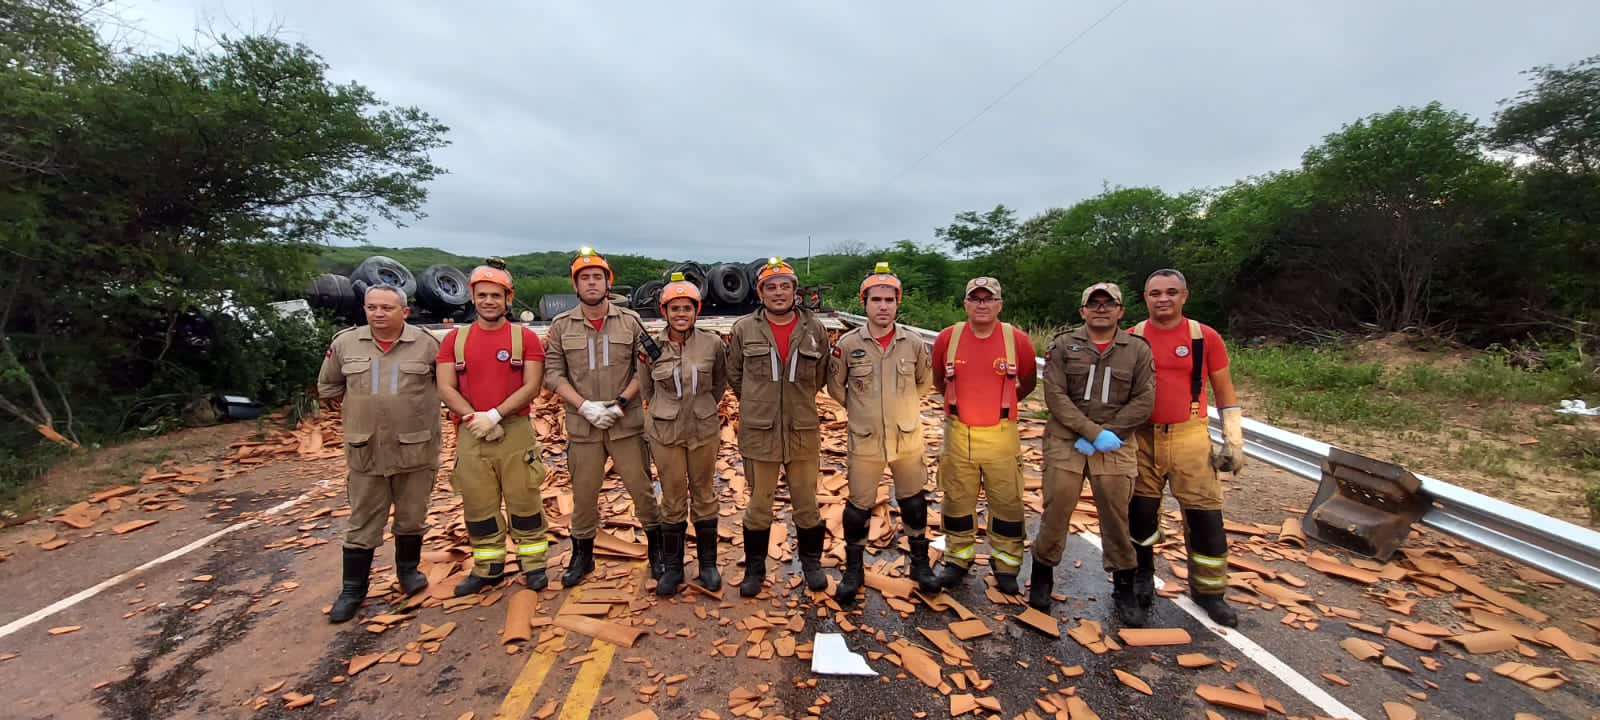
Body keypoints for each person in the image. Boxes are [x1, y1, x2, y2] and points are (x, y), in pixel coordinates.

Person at [1127, 268, 1248, 627]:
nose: (1163, 299)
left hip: (1189, 436)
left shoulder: (1204, 337)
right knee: (1140, 515)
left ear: (1184, 296)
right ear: (1145, 297)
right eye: (1155, 293)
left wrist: (1233, 439)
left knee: (1204, 515)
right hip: (1143, 437)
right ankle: (1141, 577)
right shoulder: (1133, 336)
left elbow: (1225, 391)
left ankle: (1210, 592)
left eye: (1171, 292)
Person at [317, 284, 443, 623]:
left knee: (412, 516)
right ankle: (353, 589)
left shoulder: (427, 344)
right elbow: (328, 387)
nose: (378, 313)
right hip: (366, 450)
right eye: (372, 307)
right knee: (362, 522)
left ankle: (408, 572)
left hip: (415, 447)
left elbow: (447, 386)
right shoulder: (345, 344)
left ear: (405, 312)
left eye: (387, 307)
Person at [1032, 282, 1155, 624]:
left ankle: (1124, 587)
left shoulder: (1136, 349)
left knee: (1117, 518)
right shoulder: (1063, 344)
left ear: (1120, 310)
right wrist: (1091, 432)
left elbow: (1145, 399)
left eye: (1108, 303)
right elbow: (1055, 395)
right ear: (1082, 310)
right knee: (1056, 512)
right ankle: (1042, 579)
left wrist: (1109, 433)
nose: (1101, 309)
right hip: (1066, 441)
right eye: (1094, 304)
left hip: (1116, 443)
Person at [544, 247, 663, 588]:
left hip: (624, 424)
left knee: (641, 490)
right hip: (583, 426)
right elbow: (553, 374)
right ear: (576, 285)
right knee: (583, 495)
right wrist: (584, 406)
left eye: (597, 277)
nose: (591, 283)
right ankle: (583, 555)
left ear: (608, 282)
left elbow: (647, 368)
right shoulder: (562, 325)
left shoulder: (630, 322)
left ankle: (656, 551)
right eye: (585, 278)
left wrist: (621, 403)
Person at [436, 258, 552, 595]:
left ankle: (533, 565)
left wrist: (496, 416)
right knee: (478, 504)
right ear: (472, 297)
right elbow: (445, 387)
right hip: (471, 433)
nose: (489, 301)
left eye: (496, 295)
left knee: (525, 501)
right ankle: (488, 567)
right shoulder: (454, 342)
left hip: (514, 429)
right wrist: (475, 419)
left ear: (508, 299)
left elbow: (531, 385)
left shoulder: (524, 338)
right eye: (483, 295)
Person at [825, 262, 936, 603]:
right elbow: (835, 386)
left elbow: (924, 384)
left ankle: (920, 564)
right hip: (866, 439)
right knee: (857, 508)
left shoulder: (914, 344)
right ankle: (854, 569)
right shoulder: (848, 344)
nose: (883, 306)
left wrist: (899, 410)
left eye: (889, 299)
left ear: (897, 303)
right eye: (876, 300)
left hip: (907, 438)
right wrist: (862, 410)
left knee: (914, 502)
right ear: (865, 303)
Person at [727, 257, 831, 598]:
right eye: (770, 287)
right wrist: (762, 401)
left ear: (794, 291)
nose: (778, 292)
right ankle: (755, 568)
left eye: (785, 286)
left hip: (801, 428)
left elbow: (818, 376)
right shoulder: (744, 329)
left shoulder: (814, 328)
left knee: (806, 502)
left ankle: (812, 564)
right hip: (760, 431)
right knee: (759, 503)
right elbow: (735, 376)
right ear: (760, 293)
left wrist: (793, 402)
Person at [929, 277, 1036, 595]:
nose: (981, 304)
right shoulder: (948, 338)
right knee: (957, 500)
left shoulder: (1016, 340)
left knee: (1007, 503)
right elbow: (939, 381)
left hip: (1001, 434)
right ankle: (957, 560)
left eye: (988, 299)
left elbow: (1027, 382)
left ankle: (1005, 566)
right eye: (975, 299)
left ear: (999, 304)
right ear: (966, 304)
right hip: (958, 433)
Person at [636, 273, 729, 595]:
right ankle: (674, 569)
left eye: (687, 308)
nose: (680, 314)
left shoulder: (712, 343)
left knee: (704, 494)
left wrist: (702, 407)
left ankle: (708, 566)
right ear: (664, 311)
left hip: (703, 428)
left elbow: (718, 383)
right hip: (665, 431)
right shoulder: (650, 347)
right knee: (673, 498)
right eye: (674, 308)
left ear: (696, 310)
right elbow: (647, 388)